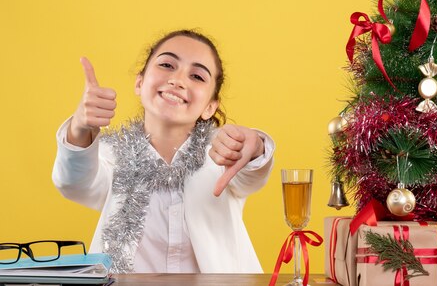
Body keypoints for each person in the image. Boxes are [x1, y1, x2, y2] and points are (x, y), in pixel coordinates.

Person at [52, 29, 275, 274]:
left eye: (198, 76)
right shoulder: (110, 154)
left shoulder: (221, 154)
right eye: (167, 64)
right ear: (140, 82)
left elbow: (252, 172)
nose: (178, 80)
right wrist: (80, 126)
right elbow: (73, 181)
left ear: (210, 107)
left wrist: (254, 145)